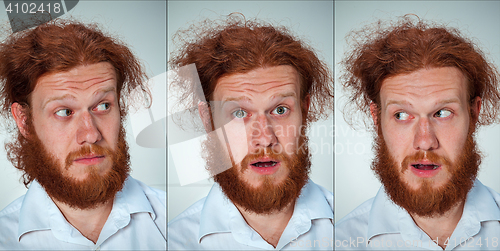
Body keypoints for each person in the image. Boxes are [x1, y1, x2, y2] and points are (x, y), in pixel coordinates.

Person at [167, 15, 334, 250]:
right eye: (239, 113)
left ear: (304, 111)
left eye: (280, 109)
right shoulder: (172, 242)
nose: (265, 139)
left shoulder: (345, 229)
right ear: (208, 119)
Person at [335, 16, 500, 250]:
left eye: (443, 113)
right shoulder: (339, 242)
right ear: (376, 119)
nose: (424, 142)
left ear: (474, 114)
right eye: (401, 115)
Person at [0, 20, 166, 249]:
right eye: (64, 112)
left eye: (103, 106)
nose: (90, 134)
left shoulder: (171, 224)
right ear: (25, 121)